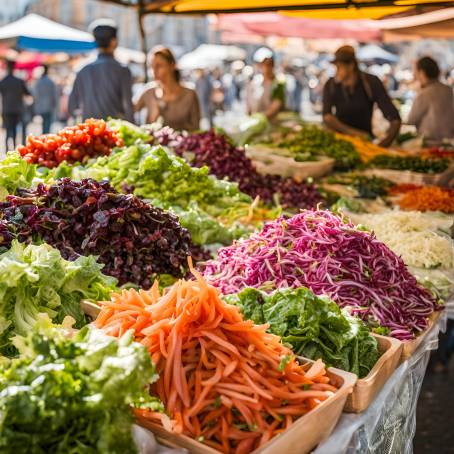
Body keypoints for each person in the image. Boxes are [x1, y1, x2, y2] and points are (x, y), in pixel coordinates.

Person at [323, 46, 401, 147]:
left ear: (351, 65)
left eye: (339, 67)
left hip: (365, 143)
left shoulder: (371, 83)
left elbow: (394, 118)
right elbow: (327, 117)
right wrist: (354, 133)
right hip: (339, 143)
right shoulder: (331, 85)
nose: (336, 72)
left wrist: (384, 144)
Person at [68, 19, 133, 121]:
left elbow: (72, 107)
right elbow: (128, 107)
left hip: (90, 132)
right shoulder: (122, 70)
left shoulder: (81, 70)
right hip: (115, 132)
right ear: (113, 41)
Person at [134, 46, 200, 131]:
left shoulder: (190, 94)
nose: (154, 71)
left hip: (182, 143)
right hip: (152, 143)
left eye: (159, 66)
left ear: (172, 65)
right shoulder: (149, 92)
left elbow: (196, 128)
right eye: (152, 66)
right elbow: (129, 110)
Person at [407, 56, 454, 144]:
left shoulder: (425, 93)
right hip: (450, 140)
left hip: (430, 142)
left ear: (422, 72)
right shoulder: (448, 90)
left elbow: (411, 120)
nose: (414, 75)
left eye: (415, 71)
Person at [246, 47, 285, 120]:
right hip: (255, 121)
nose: (266, 67)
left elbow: (275, 107)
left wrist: (258, 118)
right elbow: (249, 104)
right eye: (263, 64)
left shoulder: (278, 84)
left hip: (270, 123)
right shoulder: (255, 82)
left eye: (269, 64)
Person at [0, 60, 31, 149]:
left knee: (7, 129)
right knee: (14, 129)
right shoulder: (19, 81)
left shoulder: (3, 81)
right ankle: (13, 147)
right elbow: (28, 93)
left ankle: (6, 147)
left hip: (6, 109)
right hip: (17, 109)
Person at [32, 65, 57, 134]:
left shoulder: (39, 82)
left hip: (42, 105)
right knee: (47, 123)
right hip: (48, 105)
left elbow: (35, 94)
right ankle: (46, 136)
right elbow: (54, 94)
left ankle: (44, 136)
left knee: (44, 123)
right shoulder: (50, 82)